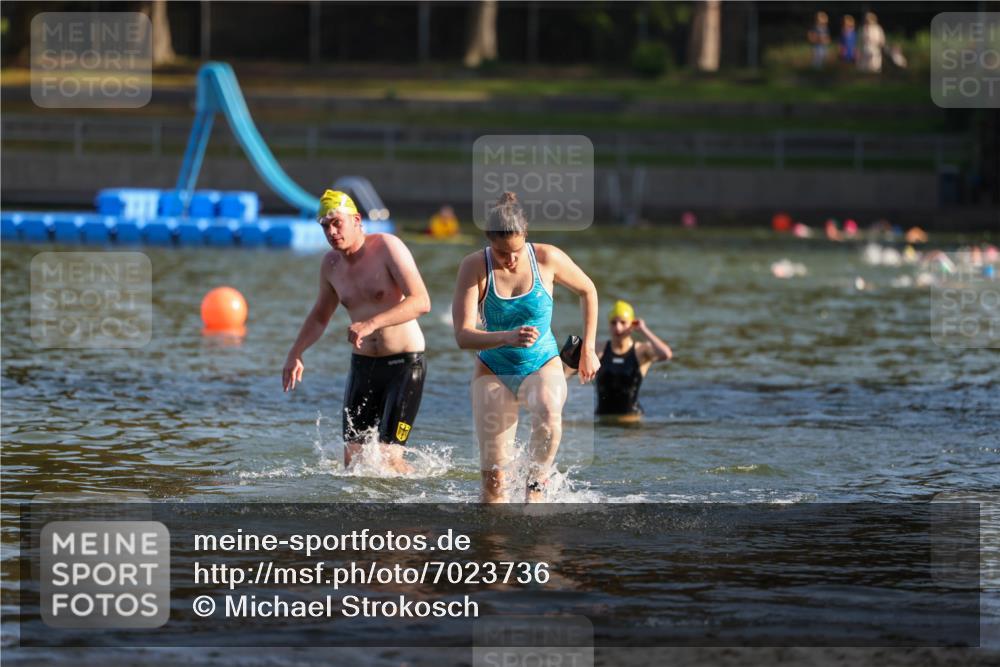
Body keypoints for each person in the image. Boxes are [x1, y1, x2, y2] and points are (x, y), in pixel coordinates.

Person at [452, 191, 599, 503]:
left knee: (548, 412)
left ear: (525, 236)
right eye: (502, 253)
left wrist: (588, 350)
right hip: (493, 369)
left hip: (542, 362)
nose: (510, 259)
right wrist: (506, 336)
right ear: (489, 241)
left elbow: (588, 290)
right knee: (493, 486)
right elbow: (463, 336)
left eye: (516, 250)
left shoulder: (547, 258)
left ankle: (536, 489)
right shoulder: (474, 266)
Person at [282, 190, 431, 473]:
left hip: (404, 364)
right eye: (325, 226)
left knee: (389, 458)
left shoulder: (388, 247)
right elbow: (319, 316)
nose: (331, 231)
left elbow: (421, 301)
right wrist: (295, 352)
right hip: (364, 366)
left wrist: (372, 323)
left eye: (337, 222)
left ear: (357, 220)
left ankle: (417, 504)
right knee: (353, 462)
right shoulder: (331, 265)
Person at [593, 300, 673, 422]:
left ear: (632, 324)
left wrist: (643, 330)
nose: (617, 327)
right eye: (613, 323)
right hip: (602, 420)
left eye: (623, 322)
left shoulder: (641, 351)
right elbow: (569, 370)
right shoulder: (599, 349)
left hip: (632, 422)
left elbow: (666, 354)